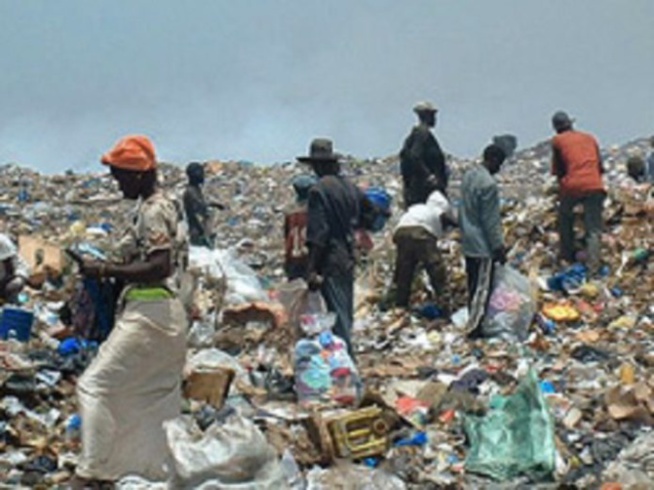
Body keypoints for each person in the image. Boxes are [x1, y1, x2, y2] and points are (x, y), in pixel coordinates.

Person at [72, 135, 188, 487]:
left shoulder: (154, 209)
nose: (116, 181)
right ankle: (144, 474)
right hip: (167, 314)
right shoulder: (162, 204)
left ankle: (91, 472)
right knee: (149, 399)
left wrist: (106, 271)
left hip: (151, 312)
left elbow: (159, 264)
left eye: (120, 174)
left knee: (94, 385)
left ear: (139, 175)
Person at [299, 138, 375, 358]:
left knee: (336, 316)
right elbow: (372, 213)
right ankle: (342, 361)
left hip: (330, 260)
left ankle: (345, 366)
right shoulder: (350, 188)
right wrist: (356, 228)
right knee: (345, 312)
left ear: (318, 165)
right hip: (348, 257)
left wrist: (312, 268)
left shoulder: (319, 191)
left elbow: (318, 233)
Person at [459, 144, 507, 335]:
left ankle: (474, 322)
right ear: (493, 160)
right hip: (482, 246)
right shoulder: (488, 184)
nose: (499, 168)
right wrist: (498, 247)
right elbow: (490, 220)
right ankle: (475, 328)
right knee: (481, 289)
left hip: (468, 241)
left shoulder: (469, 177)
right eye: (499, 164)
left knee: (473, 285)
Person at [550, 111, 606, 273]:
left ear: (556, 128)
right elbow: (600, 167)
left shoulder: (558, 140)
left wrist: (560, 191)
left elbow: (559, 171)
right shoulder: (590, 138)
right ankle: (593, 268)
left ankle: (567, 256)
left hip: (573, 186)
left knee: (565, 218)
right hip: (595, 185)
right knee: (593, 228)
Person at [390, 189, 456, 311]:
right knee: (435, 267)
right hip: (420, 233)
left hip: (401, 232)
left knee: (405, 270)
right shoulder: (437, 211)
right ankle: (444, 303)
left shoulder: (417, 207)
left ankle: (400, 303)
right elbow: (452, 221)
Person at [399, 101, 448, 207]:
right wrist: (429, 176)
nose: (435, 119)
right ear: (426, 116)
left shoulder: (417, 134)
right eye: (432, 115)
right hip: (424, 192)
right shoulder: (422, 134)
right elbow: (415, 156)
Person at [283, 174, 316, 280]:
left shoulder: (290, 213)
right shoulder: (315, 213)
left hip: (293, 259)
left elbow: (287, 237)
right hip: (310, 260)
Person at [183, 162, 212, 247]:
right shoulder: (191, 192)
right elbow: (199, 209)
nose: (203, 176)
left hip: (200, 231)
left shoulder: (196, 189)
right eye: (201, 173)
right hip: (197, 232)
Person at [0, 233, 29, 303]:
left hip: (16, 273)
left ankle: (11, 303)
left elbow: (10, 271)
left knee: (11, 287)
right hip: (3, 273)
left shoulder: (2, 242)